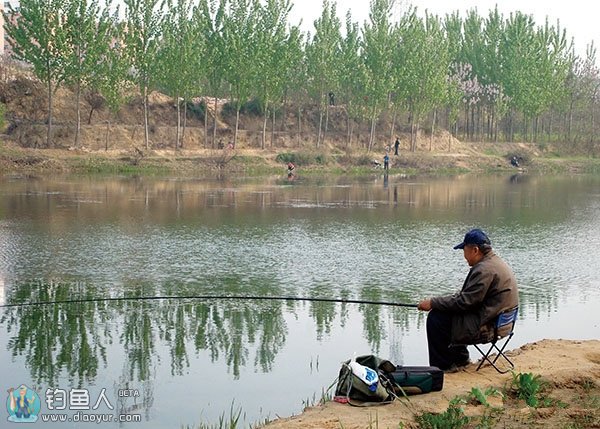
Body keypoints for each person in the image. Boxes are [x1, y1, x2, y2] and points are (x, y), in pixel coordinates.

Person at [417, 228, 518, 372]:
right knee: (451, 314)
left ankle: (441, 368)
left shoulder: (484, 270)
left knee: (436, 318)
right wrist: (444, 301)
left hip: (490, 327)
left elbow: (464, 303)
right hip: (503, 323)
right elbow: (469, 298)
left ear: (475, 250)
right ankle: (461, 359)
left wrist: (433, 303)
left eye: (464, 250)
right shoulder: (495, 262)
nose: (464, 255)